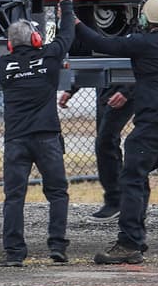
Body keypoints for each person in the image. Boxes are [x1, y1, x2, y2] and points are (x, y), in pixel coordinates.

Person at [74, 0, 158, 265]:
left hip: (152, 126)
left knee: (131, 179)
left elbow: (102, 44)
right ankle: (136, 239)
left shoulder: (144, 42)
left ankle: (128, 243)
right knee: (137, 177)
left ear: (146, 19)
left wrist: (73, 22)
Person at [0, 0, 76, 267]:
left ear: (10, 45)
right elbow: (67, 35)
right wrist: (66, 7)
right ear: (36, 39)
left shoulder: (4, 65)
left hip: (16, 139)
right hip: (46, 137)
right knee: (57, 192)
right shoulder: (49, 57)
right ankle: (57, 246)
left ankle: (14, 253)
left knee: (14, 196)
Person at [58, 82, 135, 222]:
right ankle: (123, 202)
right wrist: (71, 89)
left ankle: (118, 202)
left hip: (125, 87)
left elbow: (143, 67)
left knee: (105, 142)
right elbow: (89, 67)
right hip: (106, 89)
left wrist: (127, 90)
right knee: (107, 143)